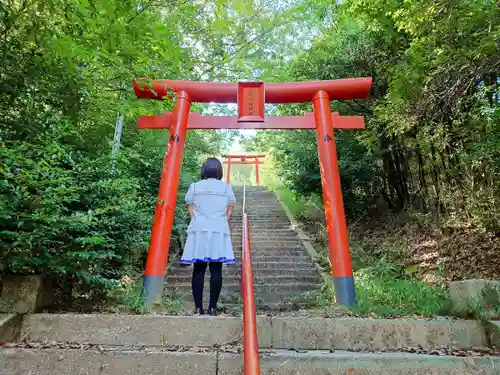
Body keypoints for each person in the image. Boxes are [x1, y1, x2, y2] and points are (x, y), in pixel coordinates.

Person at [180, 157, 236, 315]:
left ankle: (198, 308)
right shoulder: (226, 188)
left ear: (204, 170)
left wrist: (199, 221)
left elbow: (190, 209)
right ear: (219, 171)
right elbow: (229, 212)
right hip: (218, 229)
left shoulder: (195, 187)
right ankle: (212, 307)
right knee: (216, 269)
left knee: (198, 269)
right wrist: (219, 221)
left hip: (199, 230)